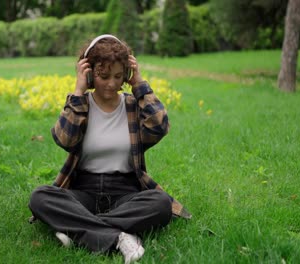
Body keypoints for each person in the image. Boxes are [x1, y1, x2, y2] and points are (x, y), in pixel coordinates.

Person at [28, 34, 192, 264]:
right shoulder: (81, 104)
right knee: (40, 198)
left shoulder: (133, 106)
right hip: (83, 190)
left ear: (126, 74)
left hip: (124, 191)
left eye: (118, 76)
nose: (112, 83)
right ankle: (121, 237)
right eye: (103, 76)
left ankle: (78, 231)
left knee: (160, 203)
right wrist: (78, 90)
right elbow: (64, 139)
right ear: (90, 74)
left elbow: (160, 126)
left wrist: (139, 84)